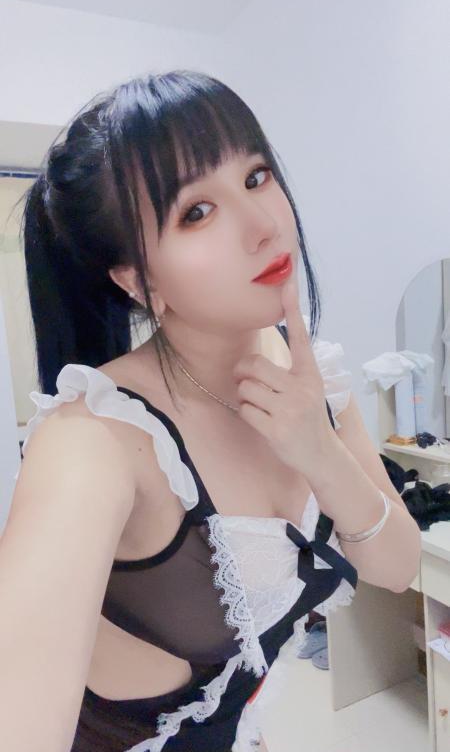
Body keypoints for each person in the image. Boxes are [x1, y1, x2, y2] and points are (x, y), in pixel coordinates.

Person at [5, 69, 369, 752]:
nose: (265, 225)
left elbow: (395, 564)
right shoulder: (94, 439)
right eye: (196, 213)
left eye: (256, 176)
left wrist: (322, 454)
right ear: (137, 279)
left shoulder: (310, 373)